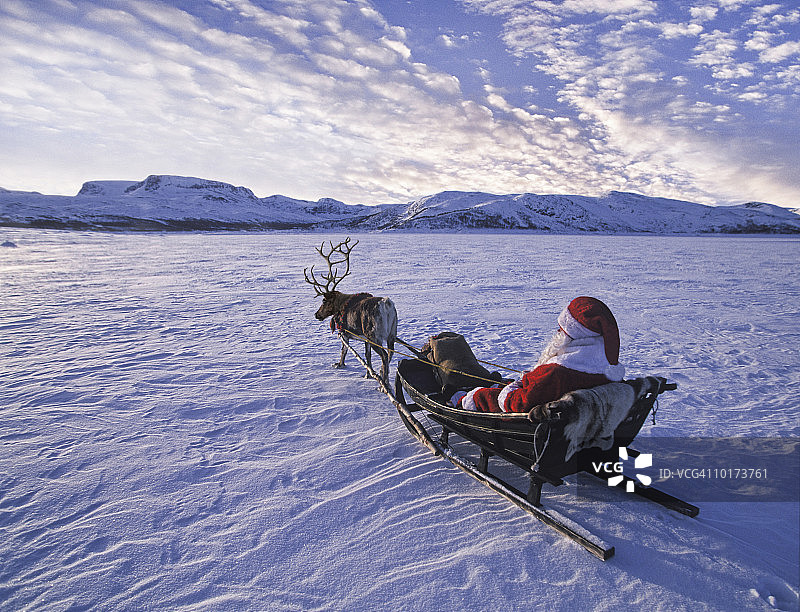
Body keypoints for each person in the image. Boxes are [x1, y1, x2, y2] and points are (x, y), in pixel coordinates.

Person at [451, 296, 625, 414]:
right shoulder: (604, 368)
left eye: (563, 328)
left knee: (480, 394)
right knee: (502, 383)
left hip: (530, 420)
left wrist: (515, 387)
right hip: (561, 407)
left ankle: (459, 401)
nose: (558, 331)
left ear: (575, 333)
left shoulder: (558, 372)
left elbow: (519, 404)